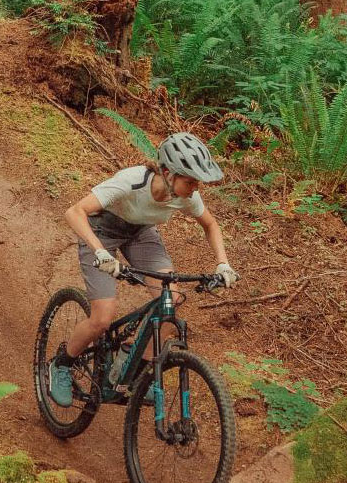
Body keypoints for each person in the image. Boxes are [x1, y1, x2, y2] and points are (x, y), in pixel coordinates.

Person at [47, 132, 239, 407]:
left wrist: (223, 263)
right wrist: (100, 252)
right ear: (167, 173)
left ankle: (131, 364)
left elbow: (210, 224)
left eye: (197, 181)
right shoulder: (131, 181)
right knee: (103, 318)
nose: (196, 187)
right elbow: (74, 212)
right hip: (102, 231)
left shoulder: (185, 196)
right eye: (190, 180)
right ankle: (61, 364)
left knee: (169, 304)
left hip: (141, 234)